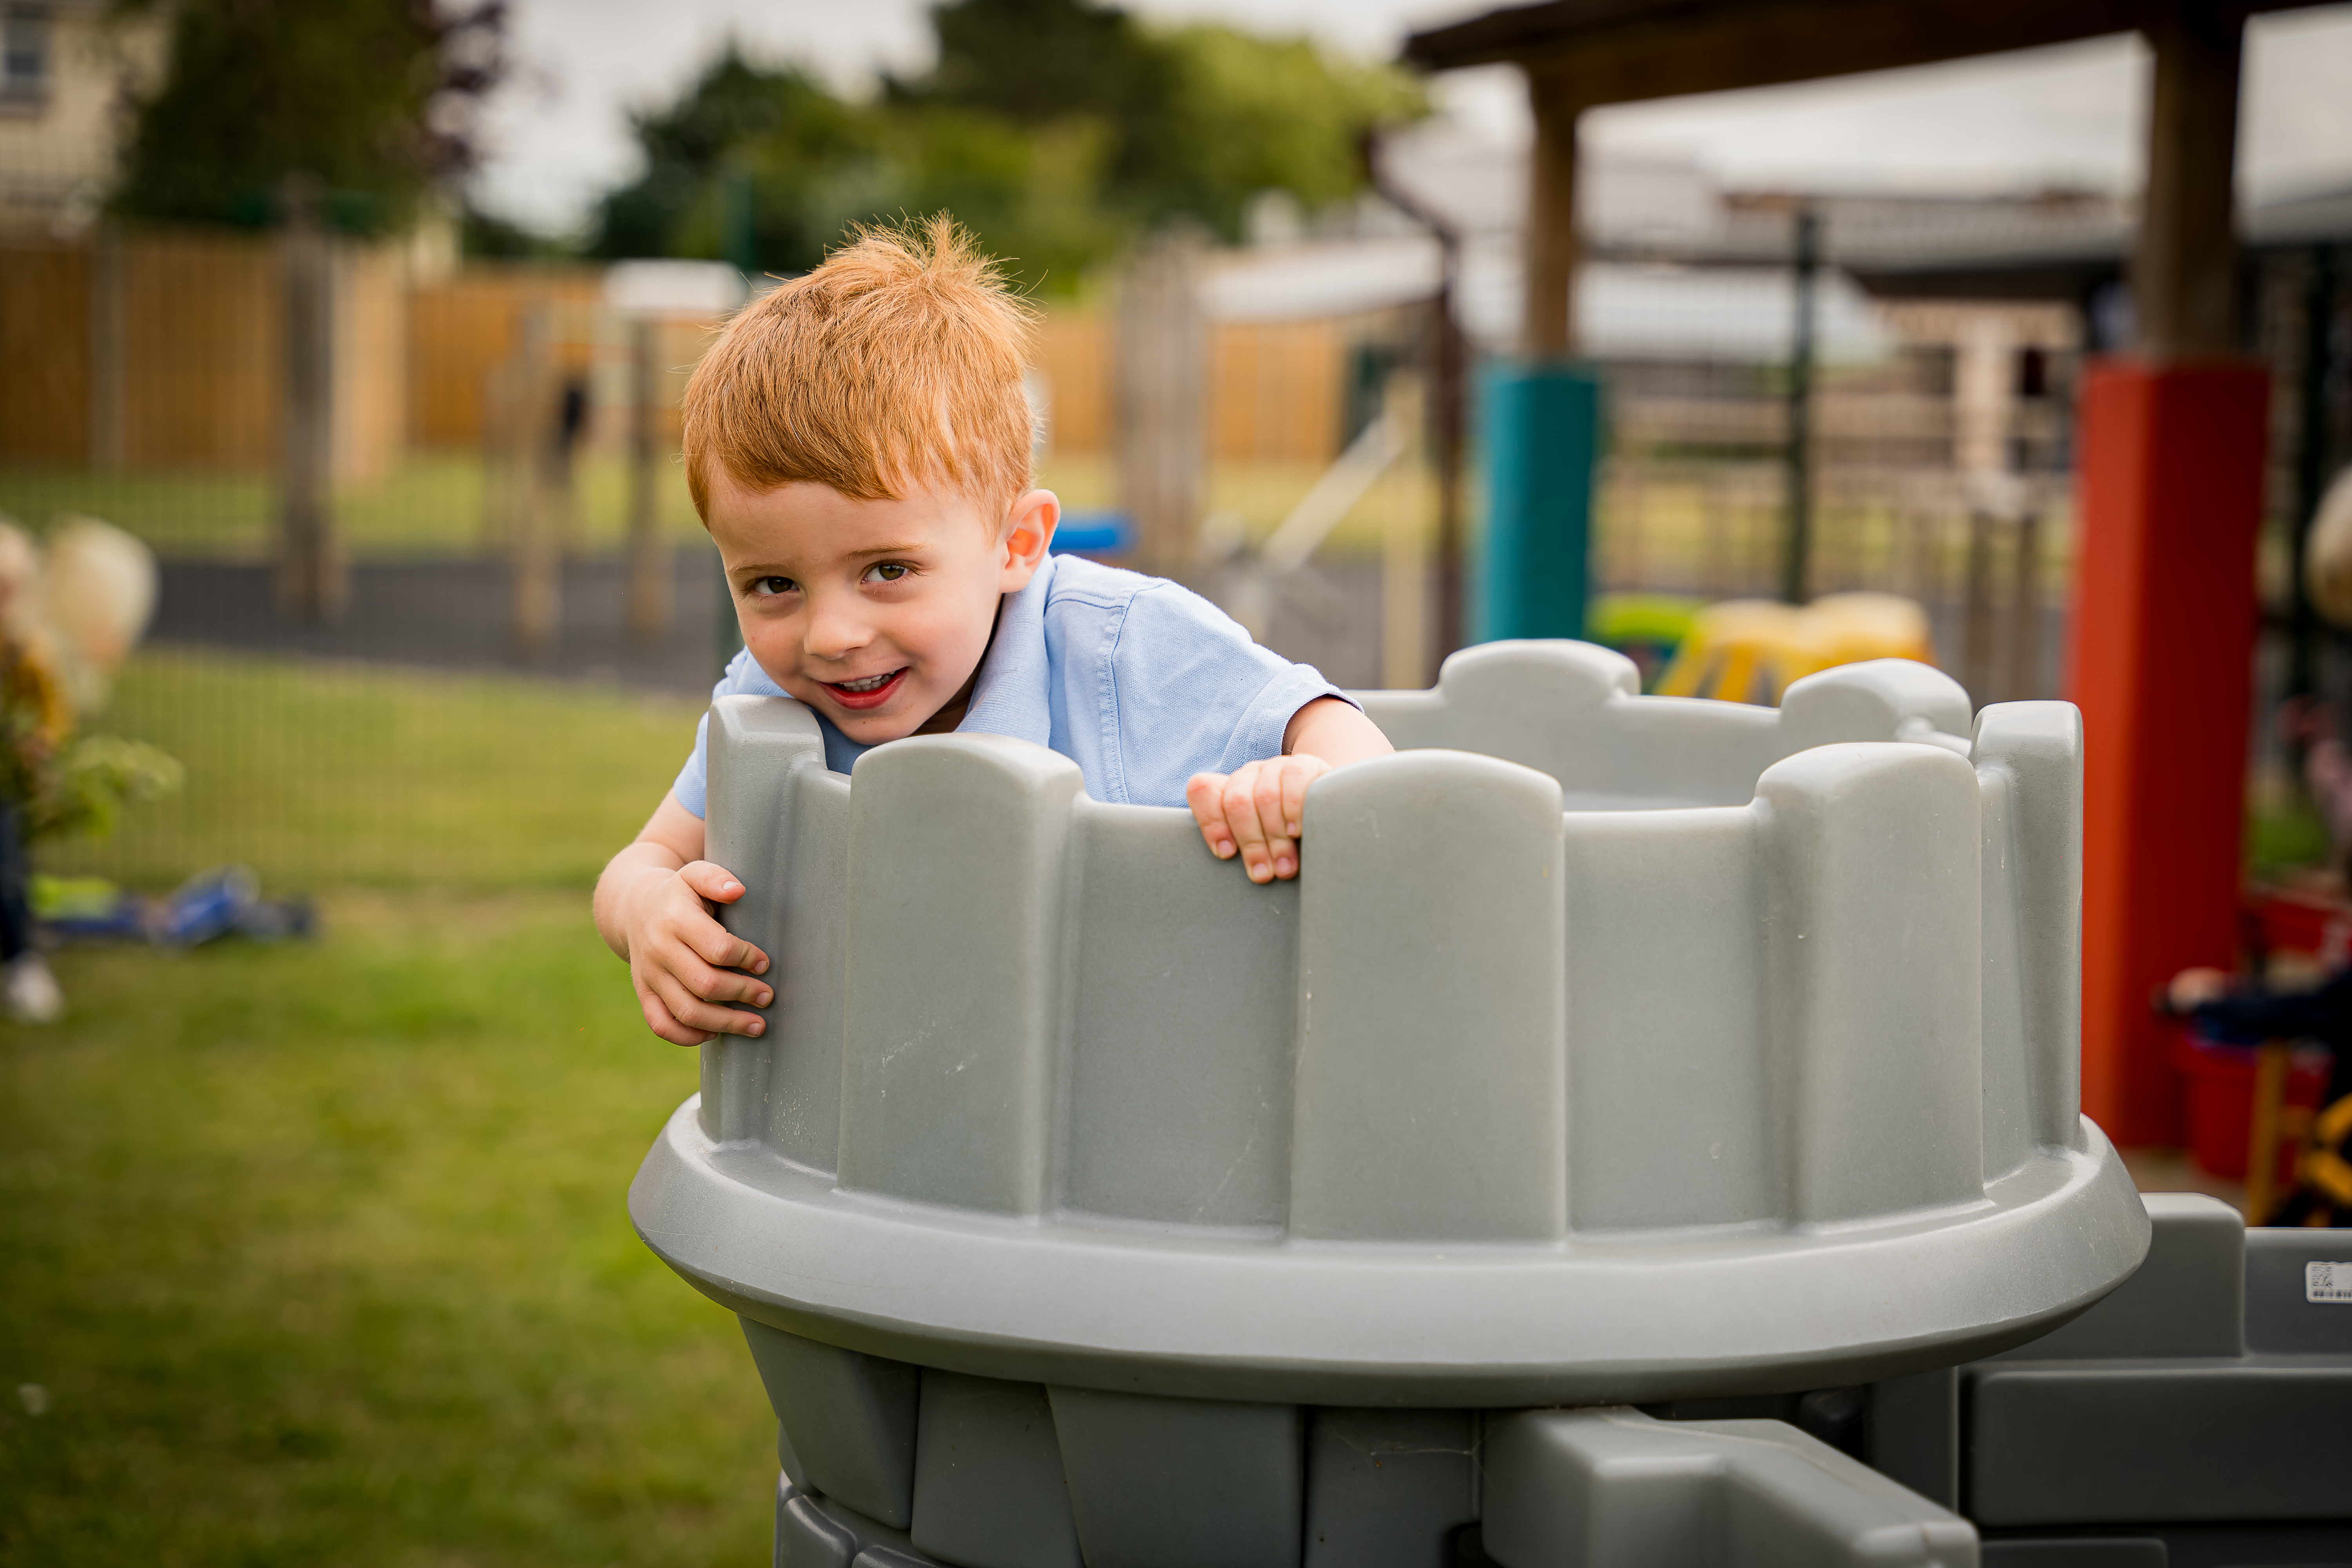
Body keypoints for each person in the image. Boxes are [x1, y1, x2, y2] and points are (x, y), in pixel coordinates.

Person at [593, 218, 1393, 1047]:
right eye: (774, 585)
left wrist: (1304, 782)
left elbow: (1348, 739)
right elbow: (640, 862)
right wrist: (646, 909)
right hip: (889, 1092)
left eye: (887, 570)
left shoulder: (1121, 645)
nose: (830, 635)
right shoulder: (767, 697)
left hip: (1139, 1079)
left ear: (1016, 543)